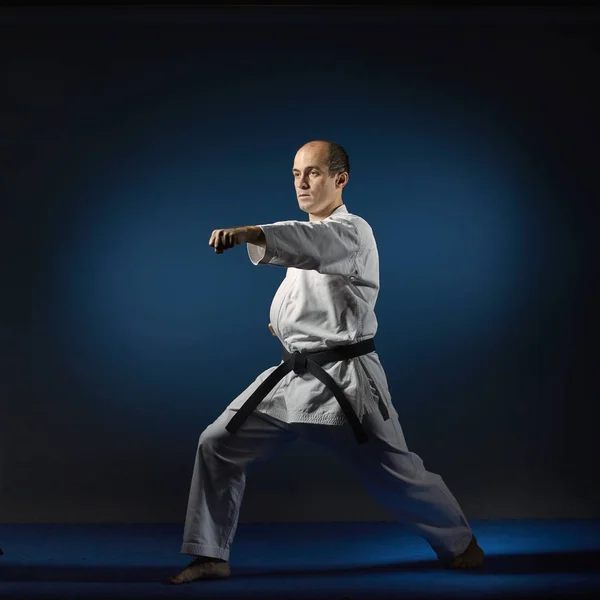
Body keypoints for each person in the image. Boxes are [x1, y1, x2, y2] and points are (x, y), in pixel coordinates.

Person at [169, 140, 484, 584]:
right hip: (291, 377)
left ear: (340, 179)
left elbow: (311, 243)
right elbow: (311, 280)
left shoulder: (351, 231)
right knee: (217, 443)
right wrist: (284, 325)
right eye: (296, 173)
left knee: (396, 475)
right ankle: (209, 554)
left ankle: (460, 541)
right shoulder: (312, 239)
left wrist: (253, 232)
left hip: (345, 383)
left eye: (313, 172)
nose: (302, 182)